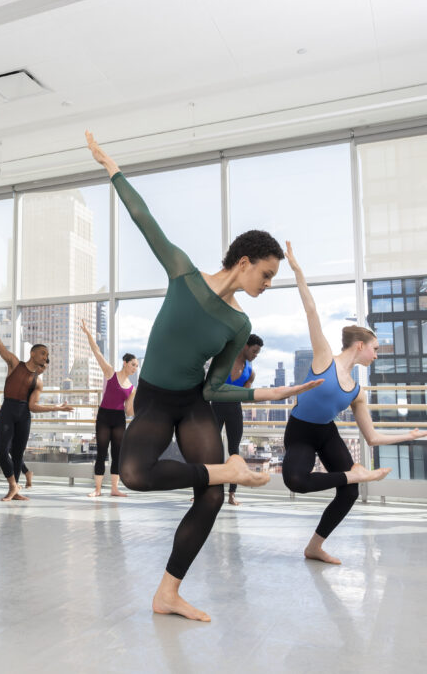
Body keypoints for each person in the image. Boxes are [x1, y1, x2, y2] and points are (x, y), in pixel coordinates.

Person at [86, 131, 320, 621]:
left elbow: (215, 387)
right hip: (153, 398)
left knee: (211, 497)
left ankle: (168, 592)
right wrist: (113, 169)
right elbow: (144, 220)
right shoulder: (183, 275)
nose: (268, 284)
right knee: (131, 474)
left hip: (193, 403)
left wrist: (267, 391)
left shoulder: (240, 324)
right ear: (244, 263)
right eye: (267, 274)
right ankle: (226, 472)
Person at [281, 242, 427, 564]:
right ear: (361, 345)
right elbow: (311, 311)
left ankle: (314, 547)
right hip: (300, 432)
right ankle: (355, 475)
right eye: (375, 349)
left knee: (349, 491)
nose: (377, 355)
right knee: (296, 481)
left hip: (326, 433)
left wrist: (410, 435)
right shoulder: (325, 360)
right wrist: (297, 271)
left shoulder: (358, 392)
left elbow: (373, 438)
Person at [0, 310, 74, 501]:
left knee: (17, 454)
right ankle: (12, 486)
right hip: (8, 410)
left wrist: (57, 408)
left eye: (47, 355)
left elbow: (33, 406)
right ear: (32, 353)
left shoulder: (38, 382)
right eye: (43, 353)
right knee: (2, 449)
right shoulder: (14, 363)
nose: (45, 357)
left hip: (24, 415)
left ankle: (15, 490)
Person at [79, 319, 136, 498]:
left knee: (117, 453)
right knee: (102, 451)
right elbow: (97, 352)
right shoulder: (110, 372)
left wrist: (138, 400)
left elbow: (129, 412)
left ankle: (114, 489)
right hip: (104, 416)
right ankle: (97, 489)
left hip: (119, 419)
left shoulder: (132, 388)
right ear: (125, 363)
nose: (135, 368)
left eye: (136, 366)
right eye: (133, 364)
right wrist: (88, 333)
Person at [211, 333, 262, 505]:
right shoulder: (224, 360)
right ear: (246, 346)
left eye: (257, 353)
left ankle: (232, 494)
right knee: (211, 450)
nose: (255, 355)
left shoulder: (250, 372)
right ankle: (205, 491)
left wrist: (261, 395)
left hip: (234, 410)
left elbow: (246, 396)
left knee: (234, 452)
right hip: (215, 408)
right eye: (254, 351)